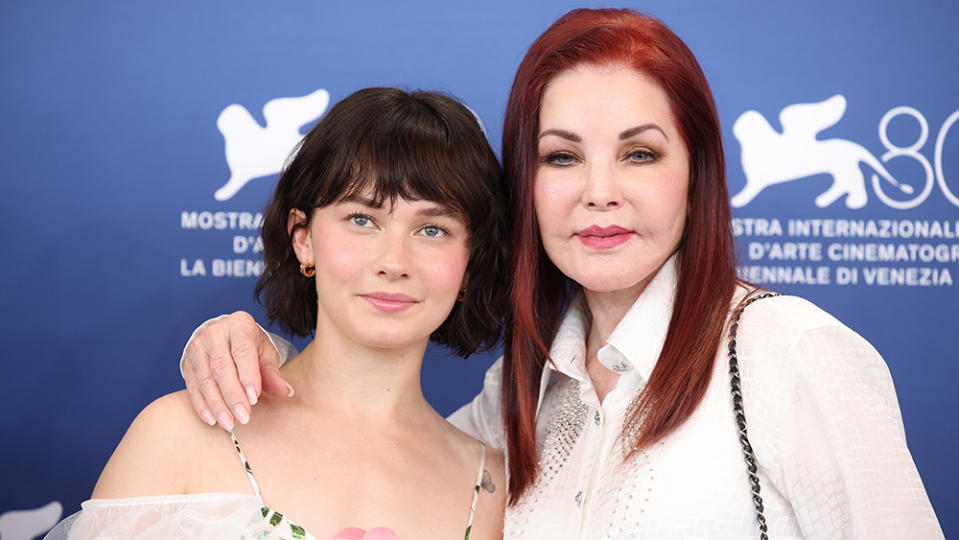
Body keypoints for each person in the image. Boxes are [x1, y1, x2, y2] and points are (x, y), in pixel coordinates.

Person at [179, 9, 944, 539]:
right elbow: (371, 444)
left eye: (639, 154)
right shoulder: (523, 391)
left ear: (696, 174)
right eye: (562, 156)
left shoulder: (788, 354)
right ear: (526, 184)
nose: (598, 191)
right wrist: (248, 347)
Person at [48, 87, 508, 540]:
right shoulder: (181, 434)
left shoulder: (492, 487)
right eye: (362, 220)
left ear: (470, 261)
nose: (394, 262)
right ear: (302, 237)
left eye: (432, 229)